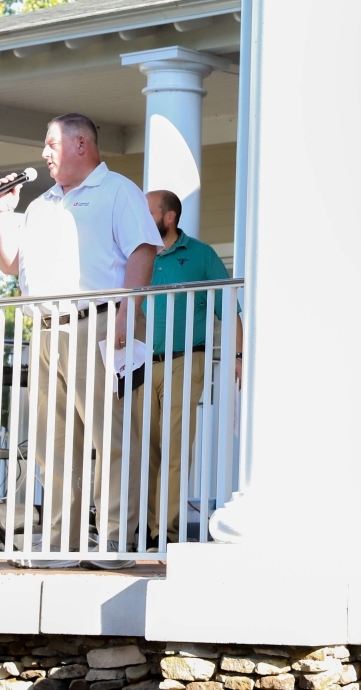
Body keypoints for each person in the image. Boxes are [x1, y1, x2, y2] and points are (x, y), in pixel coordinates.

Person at [0, 113, 161, 566]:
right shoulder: (42, 203)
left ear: (80, 144)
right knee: (53, 442)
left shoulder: (117, 190)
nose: (44, 154)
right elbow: (10, 264)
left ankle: (114, 542)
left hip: (99, 325)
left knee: (112, 437)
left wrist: (129, 310)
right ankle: (63, 543)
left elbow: (141, 250)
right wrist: (3, 213)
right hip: (47, 331)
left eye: (51, 144)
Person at [128, 189, 235, 545]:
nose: (141, 218)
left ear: (169, 217)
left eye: (148, 212)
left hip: (186, 361)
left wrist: (237, 357)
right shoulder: (137, 253)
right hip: (141, 362)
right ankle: (139, 528)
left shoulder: (201, 255)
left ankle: (165, 533)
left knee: (174, 449)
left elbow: (229, 308)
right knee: (142, 448)